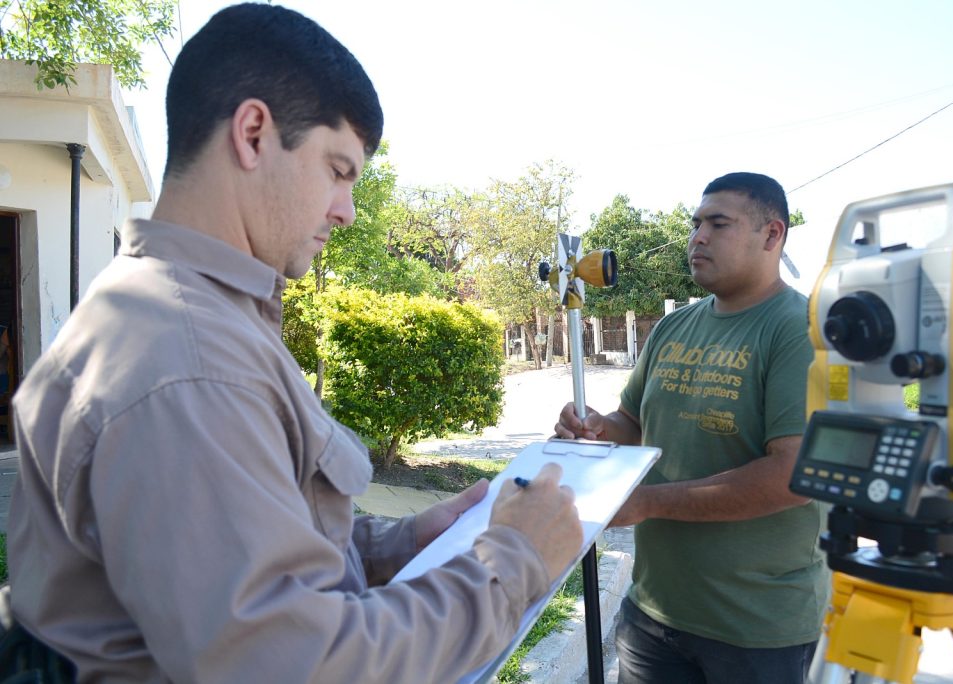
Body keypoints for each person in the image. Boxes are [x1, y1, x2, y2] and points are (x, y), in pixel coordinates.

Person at [4, 4, 582, 682]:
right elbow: (291, 663)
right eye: (338, 170)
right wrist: (513, 558)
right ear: (253, 134)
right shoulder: (188, 358)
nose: (347, 211)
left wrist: (398, 544)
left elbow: (252, 537)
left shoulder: (192, 315)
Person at [554, 172, 827, 683]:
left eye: (717, 224)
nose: (697, 237)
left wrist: (647, 502)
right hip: (654, 612)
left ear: (772, 234)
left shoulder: (800, 330)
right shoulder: (674, 326)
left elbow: (793, 474)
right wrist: (593, 428)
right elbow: (632, 422)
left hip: (757, 630)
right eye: (696, 224)